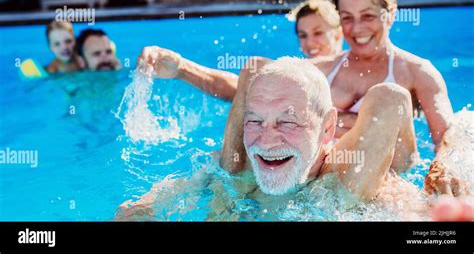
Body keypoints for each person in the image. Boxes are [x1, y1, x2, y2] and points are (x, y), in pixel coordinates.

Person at [117, 58, 473, 221]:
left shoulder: (353, 182)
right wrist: (142, 208)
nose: (267, 140)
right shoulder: (232, 169)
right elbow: (176, 188)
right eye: (254, 121)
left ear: (328, 129)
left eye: (287, 123)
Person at [221, 0, 469, 197]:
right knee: (257, 70)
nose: (357, 28)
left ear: (390, 14)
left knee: (389, 99)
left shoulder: (417, 72)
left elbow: (448, 131)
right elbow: (256, 95)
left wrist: (443, 165)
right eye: (347, 18)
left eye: (368, 16)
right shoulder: (323, 69)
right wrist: (187, 70)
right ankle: (225, 184)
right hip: (327, 166)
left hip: (384, 168)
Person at [138, 0, 343, 101]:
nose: (309, 43)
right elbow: (241, 88)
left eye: (318, 33)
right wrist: (182, 69)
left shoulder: (357, 72)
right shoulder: (301, 74)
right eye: (303, 35)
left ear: (338, 34)